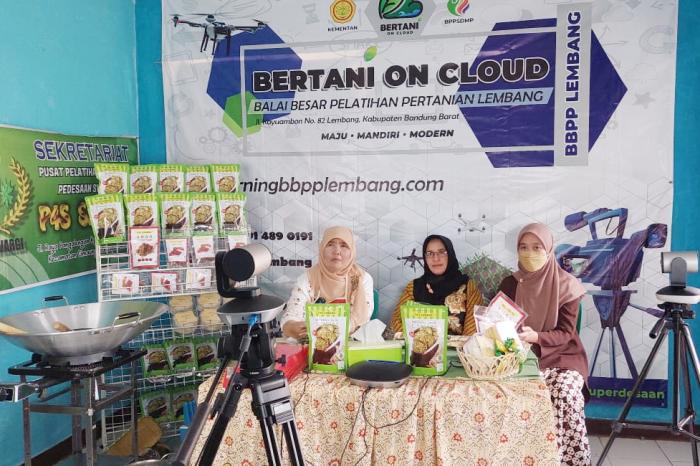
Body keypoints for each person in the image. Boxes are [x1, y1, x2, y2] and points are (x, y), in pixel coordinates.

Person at [498, 223, 590, 466]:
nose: (529, 253)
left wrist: (537, 337)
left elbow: (566, 333)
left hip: (562, 356)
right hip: (519, 355)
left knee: (564, 393)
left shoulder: (567, 285)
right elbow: (499, 322)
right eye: (523, 247)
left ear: (549, 250)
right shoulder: (510, 283)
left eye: (537, 247)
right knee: (501, 393)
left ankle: (569, 460)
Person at [280, 226, 373, 340]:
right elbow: (293, 313)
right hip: (313, 341)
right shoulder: (308, 278)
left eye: (344, 245)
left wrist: (331, 331)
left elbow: (362, 319)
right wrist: (290, 325)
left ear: (352, 252)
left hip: (352, 342)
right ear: (322, 249)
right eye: (330, 244)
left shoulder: (361, 279)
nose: (337, 251)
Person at [389, 235, 483, 336]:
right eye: (430, 253)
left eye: (441, 252)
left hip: (459, 346)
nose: (435, 258)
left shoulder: (468, 287)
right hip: (420, 345)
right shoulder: (414, 287)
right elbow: (397, 320)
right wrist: (419, 339)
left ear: (450, 255)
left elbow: (473, 330)